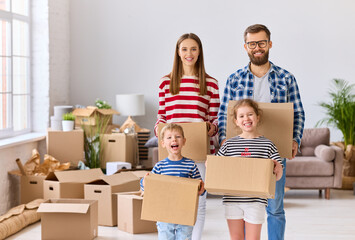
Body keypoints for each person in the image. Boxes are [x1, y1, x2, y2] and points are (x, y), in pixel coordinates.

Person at [217, 24, 305, 240]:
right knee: (243, 206)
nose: (257, 47)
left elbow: (298, 113)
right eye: (252, 43)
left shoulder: (286, 78)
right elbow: (223, 114)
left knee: (274, 207)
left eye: (262, 43)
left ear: (270, 44)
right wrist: (223, 141)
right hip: (242, 153)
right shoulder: (234, 79)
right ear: (245, 46)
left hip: (272, 152)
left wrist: (294, 139)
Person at [155, 33, 220, 239]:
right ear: (178, 52)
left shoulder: (211, 84)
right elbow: (162, 115)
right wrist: (159, 128)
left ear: (199, 52)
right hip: (174, 151)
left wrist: (212, 127)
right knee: (172, 201)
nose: (189, 53)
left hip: (199, 152)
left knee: (198, 203)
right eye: (184, 49)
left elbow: (216, 118)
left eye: (193, 49)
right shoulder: (166, 83)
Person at [217, 99, 283, 240]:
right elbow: (217, 168)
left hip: (256, 201)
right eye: (241, 116)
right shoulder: (229, 144)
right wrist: (210, 165)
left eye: (250, 114)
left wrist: (278, 168)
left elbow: (277, 175)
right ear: (236, 121)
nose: (246, 118)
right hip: (232, 200)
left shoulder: (267, 144)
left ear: (257, 117)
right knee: (236, 238)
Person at [141, 123, 205, 240]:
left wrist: (201, 190)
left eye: (178, 137)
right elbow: (148, 183)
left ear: (184, 141)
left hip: (185, 211)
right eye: (169, 137)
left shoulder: (190, 164)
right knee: (165, 236)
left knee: (184, 236)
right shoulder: (160, 166)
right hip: (164, 212)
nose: (174, 139)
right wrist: (144, 182)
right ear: (163, 144)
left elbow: (199, 186)